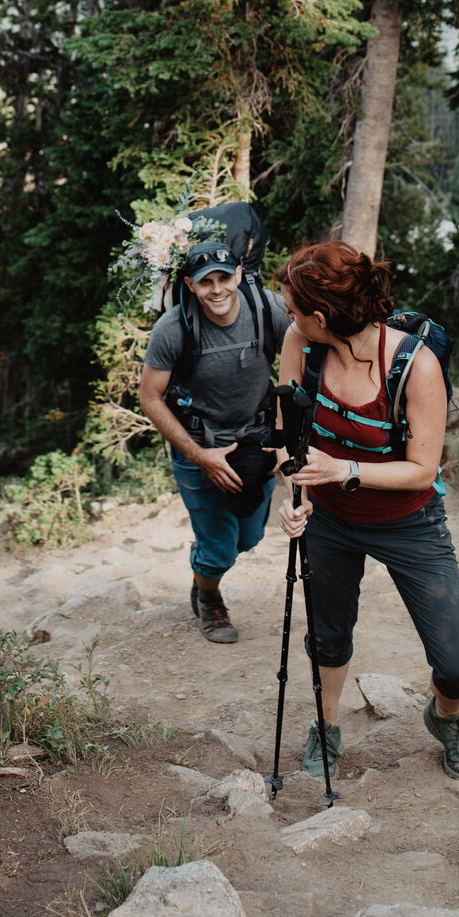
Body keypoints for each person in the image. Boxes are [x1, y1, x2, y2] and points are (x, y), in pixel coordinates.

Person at [276, 241, 459, 783]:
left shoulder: (417, 367)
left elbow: (422, 469)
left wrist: (343, 470)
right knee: (328, 635)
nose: (287, 318)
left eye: (293, 309)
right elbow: (288, 438)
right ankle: (327, 727)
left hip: (409, 521)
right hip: (327, 518)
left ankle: (446, 717)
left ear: (322, 316)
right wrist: (291, 497)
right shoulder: (301, 343)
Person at [140, 239, 291, 643]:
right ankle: (209, 596)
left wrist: (283, 439)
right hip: (197, 445)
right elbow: (149, 396)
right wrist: (198, 454)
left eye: (225, 277)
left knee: (249, 537)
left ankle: (204, 563)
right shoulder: (173, 329)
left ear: (239, 275)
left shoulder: (268, 308)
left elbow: (300, 368)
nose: (218, 289)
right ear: (190, 284)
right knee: (221, 548)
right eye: (206, 282)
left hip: (255, 440)